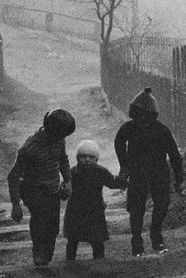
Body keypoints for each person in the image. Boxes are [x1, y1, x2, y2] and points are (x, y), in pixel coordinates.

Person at [114, 87, 184, 257]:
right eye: (138, 116)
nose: (142, 120)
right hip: (138, 173)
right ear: (134, 114)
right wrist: (124, 165)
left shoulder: (162, 130)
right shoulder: (129, 128)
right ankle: (137, 243)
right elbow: (119, 142)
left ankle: (156, 237)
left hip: (159, 173)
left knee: (162, 205)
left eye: (145, 116)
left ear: (152, 115)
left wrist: (179, 179)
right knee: (136, 209)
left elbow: (175, 155)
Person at [7, 109, 76, 267]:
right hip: (33, 190)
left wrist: (68, 180)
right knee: (39, 222)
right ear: (53, 132)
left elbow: (63, 160)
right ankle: (38, 253)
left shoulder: (59, 141)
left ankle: (46, 255)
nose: (63, 139)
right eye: (62, 135)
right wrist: (15, 204)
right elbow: (13, 176)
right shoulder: (30, 148)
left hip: (52, 190)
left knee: (53, 226)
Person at [63, 139, 126, 261]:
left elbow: (112, 183)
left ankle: (99, 263)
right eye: (83, 156)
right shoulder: (72, 173)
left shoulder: (101, 172)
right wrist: (64, 190)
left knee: (97, 240)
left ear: (97, 159)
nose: (87, 160)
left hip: (94, 210)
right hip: (75, 210)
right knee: (72, 240)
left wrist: (124, 179)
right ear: (77, 158)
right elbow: (65, 190)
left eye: (91, 157)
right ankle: (70, 263)